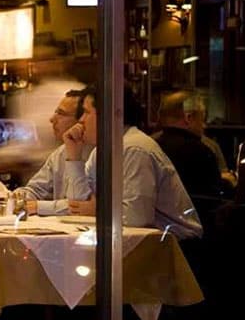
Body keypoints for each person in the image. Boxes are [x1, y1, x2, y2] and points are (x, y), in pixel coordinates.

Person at [63, 87, 203, 240]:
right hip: (137, 241)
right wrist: (74, 157)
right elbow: (77, 206)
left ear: (108, 115)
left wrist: (97, 209)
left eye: (87, 112)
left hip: (176, 245)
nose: (81, 120)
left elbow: (136, 218)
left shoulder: (135, 148)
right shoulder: (101, 151)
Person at [16, 89, 94, 216]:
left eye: (61, 114)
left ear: (79, 119)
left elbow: (82, 206)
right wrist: (12, 198)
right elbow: (35, 190)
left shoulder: (101, 153)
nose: (52, 119)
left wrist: (39, 206)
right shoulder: (60, 152)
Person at [153, 91, 229, 198]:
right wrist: (227, 182)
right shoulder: (203, 151)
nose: (204, 125)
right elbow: (213, 197)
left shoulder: (150, 146)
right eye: (202, 119)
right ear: (188, 118)